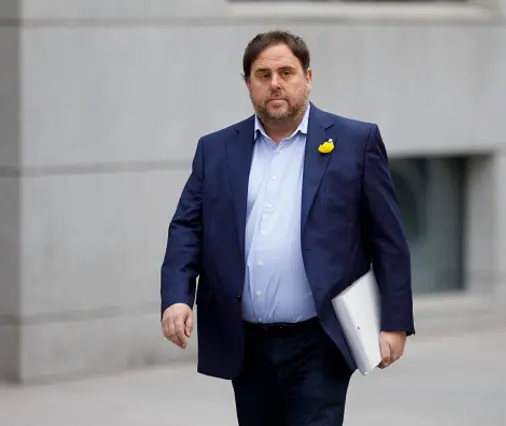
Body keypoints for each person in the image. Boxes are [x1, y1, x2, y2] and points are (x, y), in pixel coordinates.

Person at [160, 30, 415, 426]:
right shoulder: (216, 149)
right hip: (246, 343)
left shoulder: (354, 142)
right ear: (248, 85)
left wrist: (394, 323)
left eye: (286, 72)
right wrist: (177, 297)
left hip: (321, 340)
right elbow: (187, 228)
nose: (275, 83)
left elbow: (389, 240)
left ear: (307, 78)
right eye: (263, 75)